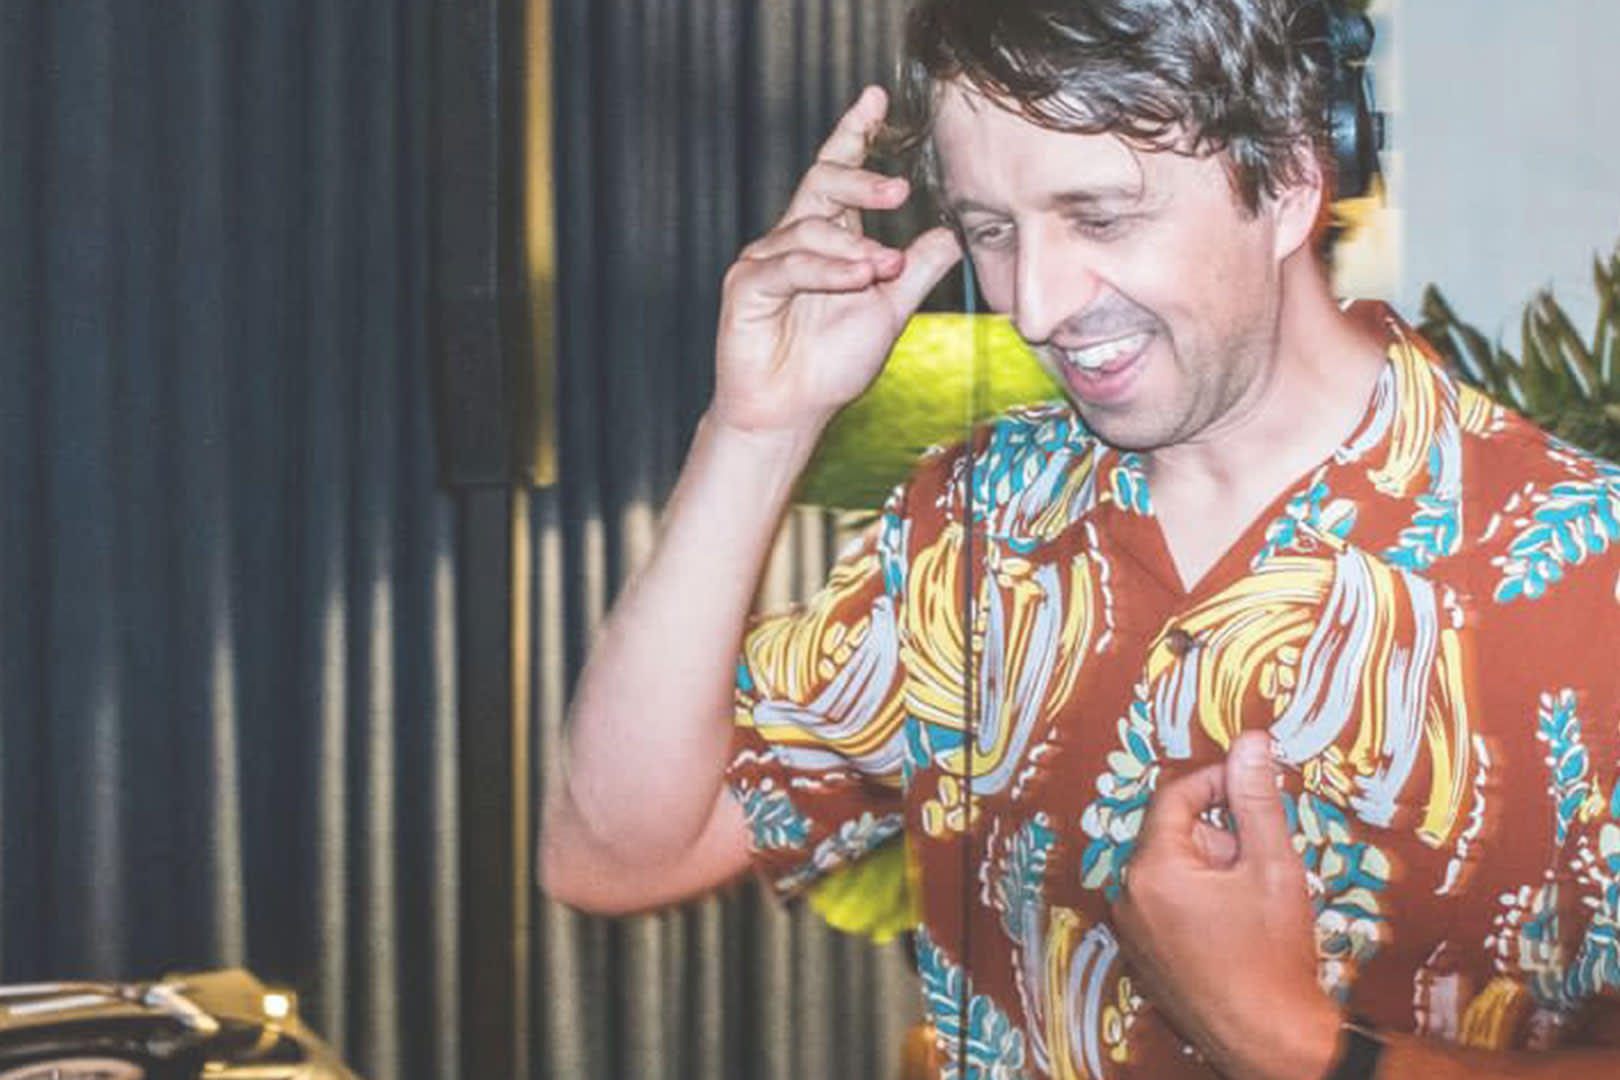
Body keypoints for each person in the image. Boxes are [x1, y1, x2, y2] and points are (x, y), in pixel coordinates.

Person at [541, 0, 1620, 1075]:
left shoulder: (1586, 566)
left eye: (1099, 218)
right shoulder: (974, 517)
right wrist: (757, 431)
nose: (1036, 306)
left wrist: (1296, 1050)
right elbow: (612, 853)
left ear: (1291, 180)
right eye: (993, 231)